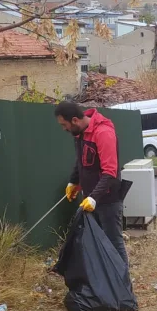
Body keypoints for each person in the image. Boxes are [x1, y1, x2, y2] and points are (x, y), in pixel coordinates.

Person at [54, 101, 129, 266]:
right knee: (97, 243)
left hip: (108, 200)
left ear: (74, 120)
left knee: (113, 243)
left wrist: (94, 197)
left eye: (64, 125)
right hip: (90, 200)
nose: (63, 129)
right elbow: (81, 161)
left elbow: (110, 171)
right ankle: (105, 281)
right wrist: (73, 182)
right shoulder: (80, 133)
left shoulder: (103, 133)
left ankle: (122, 285)